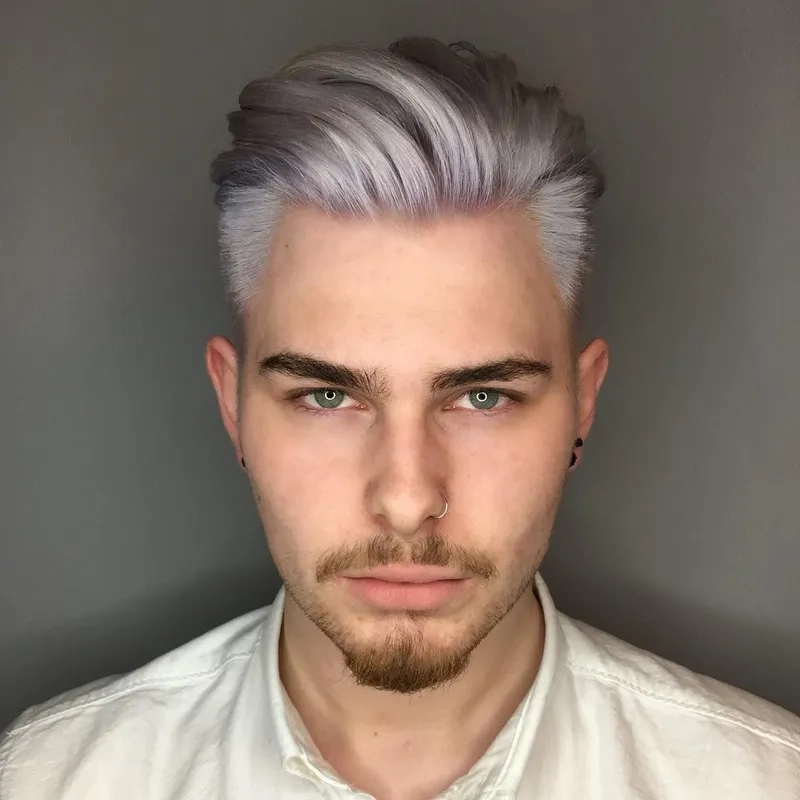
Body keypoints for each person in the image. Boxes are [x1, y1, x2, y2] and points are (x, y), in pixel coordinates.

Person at [1, 35, 798, 800]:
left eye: (483, 397)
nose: (409, 500)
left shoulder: (763, 784)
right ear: (231, 405)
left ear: (581, 405)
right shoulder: (47, 782)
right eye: (327, 396)